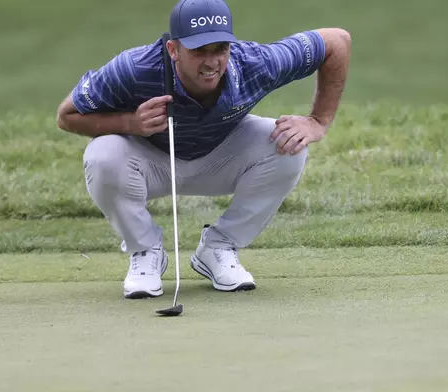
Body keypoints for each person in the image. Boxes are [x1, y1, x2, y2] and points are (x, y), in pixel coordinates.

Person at [56, 0, 351, 299]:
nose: (211, 62)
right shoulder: (134, 68)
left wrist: (318, 121)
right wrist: (130, 122)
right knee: (102, 155)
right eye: (199, 51)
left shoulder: (255, 62)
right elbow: (66, 116)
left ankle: (219, 247)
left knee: (288, 145)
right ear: (173, 50)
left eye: (220, 49)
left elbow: (337, 41)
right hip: (150, 163)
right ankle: (145, 251)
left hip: (220, 157)